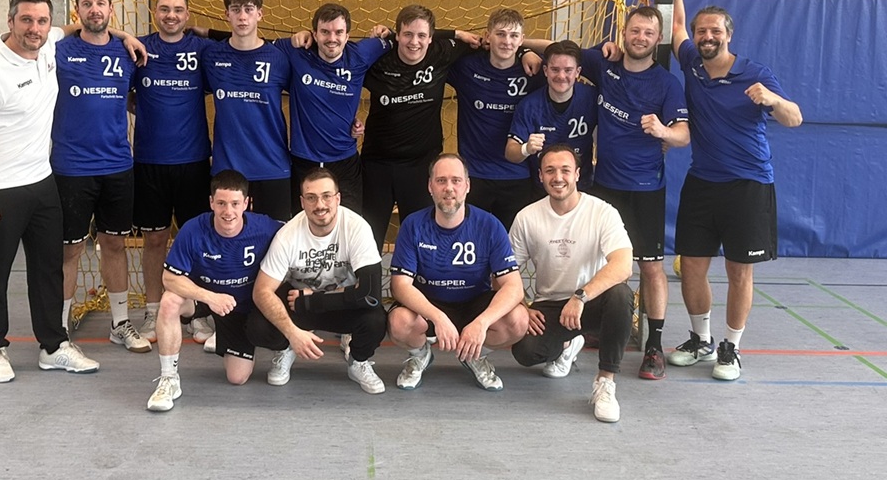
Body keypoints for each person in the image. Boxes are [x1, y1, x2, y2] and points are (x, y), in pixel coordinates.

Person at [669, 0, 803, 381]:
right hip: (702, 182)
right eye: (701, 31)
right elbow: (675, 24)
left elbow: (794, 118)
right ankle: (701, 339)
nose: (706, 36)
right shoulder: (692, 63)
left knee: (738, 270)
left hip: (748, 185)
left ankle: (731, 347)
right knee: (692, 265)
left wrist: (773, 99)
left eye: (714, 30)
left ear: (728, 35)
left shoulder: (754, 74)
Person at [0, 0, 100, 382]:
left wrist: (121, 35)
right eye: (26, 20)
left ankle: (53, 346)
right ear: (10, 22)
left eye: (41, 21)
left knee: (48, 269)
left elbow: (73, 27)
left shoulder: (49, 43)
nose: (34, 28)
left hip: (40, 181)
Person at [577, 6, 689, 381]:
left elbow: (684, 134)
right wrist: (526, 50)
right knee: (599, 263)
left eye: (648, 33)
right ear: (624, 32)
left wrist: (663, 131)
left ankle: (654, 345)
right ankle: (598, 327)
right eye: (635, 30)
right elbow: (560, 54)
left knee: (650, 267)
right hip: (603, 186)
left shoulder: (666, 84)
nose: (640, 38)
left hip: (645, 189)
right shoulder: (603, 64)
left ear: (658, 40)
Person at [52, 0, 151, 353]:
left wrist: (123, 36)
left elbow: (133, 99)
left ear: (111, 8)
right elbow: (10, 37)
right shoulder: (59, 49)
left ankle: (120, 323)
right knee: (70, 250)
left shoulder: (128, 54)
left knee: (115, 244)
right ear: (77, 10)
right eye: (87, 4)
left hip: (117, 165)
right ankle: (59, 328)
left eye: (101, 4)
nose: (94, 10)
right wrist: (114, 31)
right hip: (71, 167)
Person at [510, 144, 634, 423]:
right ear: (540, 176)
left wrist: (580, 296)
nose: (558, 177)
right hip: (550, 304)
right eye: (550, 171)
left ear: (578, 174)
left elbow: (623, 265)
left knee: (621, 295)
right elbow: (506, 272)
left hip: (592, 302)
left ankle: (605, 382)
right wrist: (521, 305)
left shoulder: (602, 212)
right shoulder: (527, 217)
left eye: (565, 170)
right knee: (525, 352)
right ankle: (568, 345)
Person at [387, 153, 528, 391]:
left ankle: (474, 354)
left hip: (474, 304)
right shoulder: (413, 224)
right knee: (399, 322)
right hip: (429, 304)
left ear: (467, 185)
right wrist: (438, 317)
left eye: (456, 180)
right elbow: (400, 286)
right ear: (430, 186)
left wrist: (482, 323)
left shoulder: (490, 225)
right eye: (441, 181)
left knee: (518, 320)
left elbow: (514, 287)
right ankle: (420, 355)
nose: (449, 188)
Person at [146, 170, 283, 411]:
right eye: (221, 203)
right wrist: (210, 297)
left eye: (235, 204)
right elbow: (169, 278)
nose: (228, 212)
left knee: (237, 378)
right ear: (211, 202)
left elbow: (299, 233)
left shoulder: (265, 227)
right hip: (205, 299)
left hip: (241, 308)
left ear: (246, 203)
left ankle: (225, 337)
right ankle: (169, 379)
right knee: (169, 301)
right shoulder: (193, 230)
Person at [246, 168, 387, 394]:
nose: (320, 205)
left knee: (375, 320)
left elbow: (371, 294)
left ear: (338, 198)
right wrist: (292, 333)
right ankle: (286, 348)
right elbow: (261, 291)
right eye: (311, 198)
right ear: (302, 202)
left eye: (326, 196)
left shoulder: (357, 227)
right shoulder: (288, 235)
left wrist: (314, 300)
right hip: (297, 303)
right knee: (257, 327)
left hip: (335, 303)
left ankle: (358, 361)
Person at [130, 0, 213, 343]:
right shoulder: (137, 48)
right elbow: (125, 95)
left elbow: (238, 45)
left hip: (193, 161)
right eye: (164, 9)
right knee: (154, 240)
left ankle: (197, 313)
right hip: (149, 161)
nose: (171, 16)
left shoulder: (201, 49)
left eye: (178, 10)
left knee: (196, 241)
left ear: (187, 14)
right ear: (155, 13)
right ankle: (153, 312)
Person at [360, 5, 481, 252]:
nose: (414, 42)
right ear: (397, 35)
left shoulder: (441, 52)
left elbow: (496, 46)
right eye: (407, 34)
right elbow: (343, 68)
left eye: (422, 36)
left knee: (422, 242)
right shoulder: (379, 57)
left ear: (431, 37)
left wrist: (525, 54)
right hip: (377, 165)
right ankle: (370, 281)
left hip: (420, 167)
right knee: (369, 243)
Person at [276, 3, 393, 212]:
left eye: (338, 32)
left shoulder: (360, 55)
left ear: (347, 36)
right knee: (302, 226)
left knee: (349, 224)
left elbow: (396, 39)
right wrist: (297, 37)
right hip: (303, 162)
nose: (332, 38)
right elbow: (255, 45)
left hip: (345, 163)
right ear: (314, 34)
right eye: (325, 32)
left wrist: (386, 31)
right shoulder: (297, 52)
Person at [203, 0, 293, 222]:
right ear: (227, 14)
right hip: (228, 169)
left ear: (260, 14)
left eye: (249, 9)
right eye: (236, 9)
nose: (242, 16)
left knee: (276, 238)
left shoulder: (279, 58)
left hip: (272, 166)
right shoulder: (211, 56)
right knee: (227, 235)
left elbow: (308, 97)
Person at [448, 8, 545, 229]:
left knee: (512, 245)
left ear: (521, 38)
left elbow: (560, 49)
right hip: (474, 174)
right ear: (487, 35)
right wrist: (459, 34)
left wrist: (525, 49)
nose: (507, 41)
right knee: (472, 240)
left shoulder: (533, 70)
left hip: (517, 175)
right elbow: (428, 44)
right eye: (500, 34)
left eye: (514, 36)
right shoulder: (467, 67)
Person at [505, 40, 598, 196]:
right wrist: (526, 148)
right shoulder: (529, 105)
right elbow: (510, 152)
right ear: (545, 70)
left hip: (582, 188)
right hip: (542, 190)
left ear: (578, 72)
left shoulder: (592, 98)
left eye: (568, 70)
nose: (561, 76)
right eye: (555, 69)